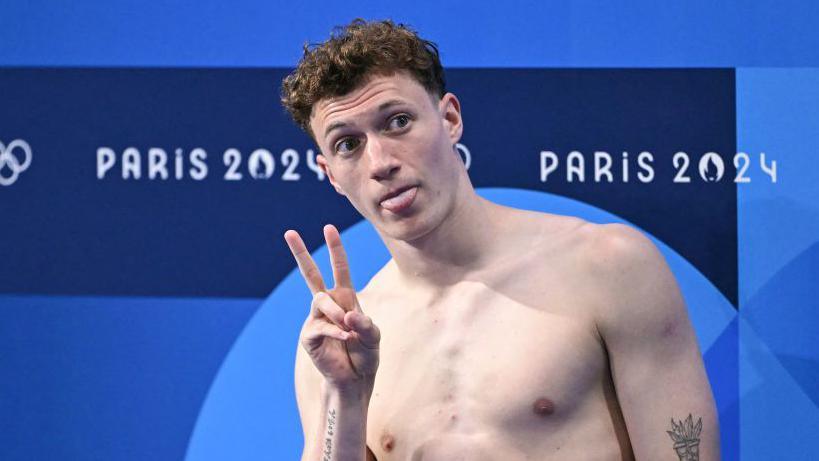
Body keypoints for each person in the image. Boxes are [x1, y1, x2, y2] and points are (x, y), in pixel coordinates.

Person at [280, 18, 719, 461]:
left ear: (449, 118)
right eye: (347, 145)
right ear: (330, 174)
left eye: (397, 122)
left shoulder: (608, 267)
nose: (380, 162)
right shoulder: (341, 343)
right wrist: (346, 397)